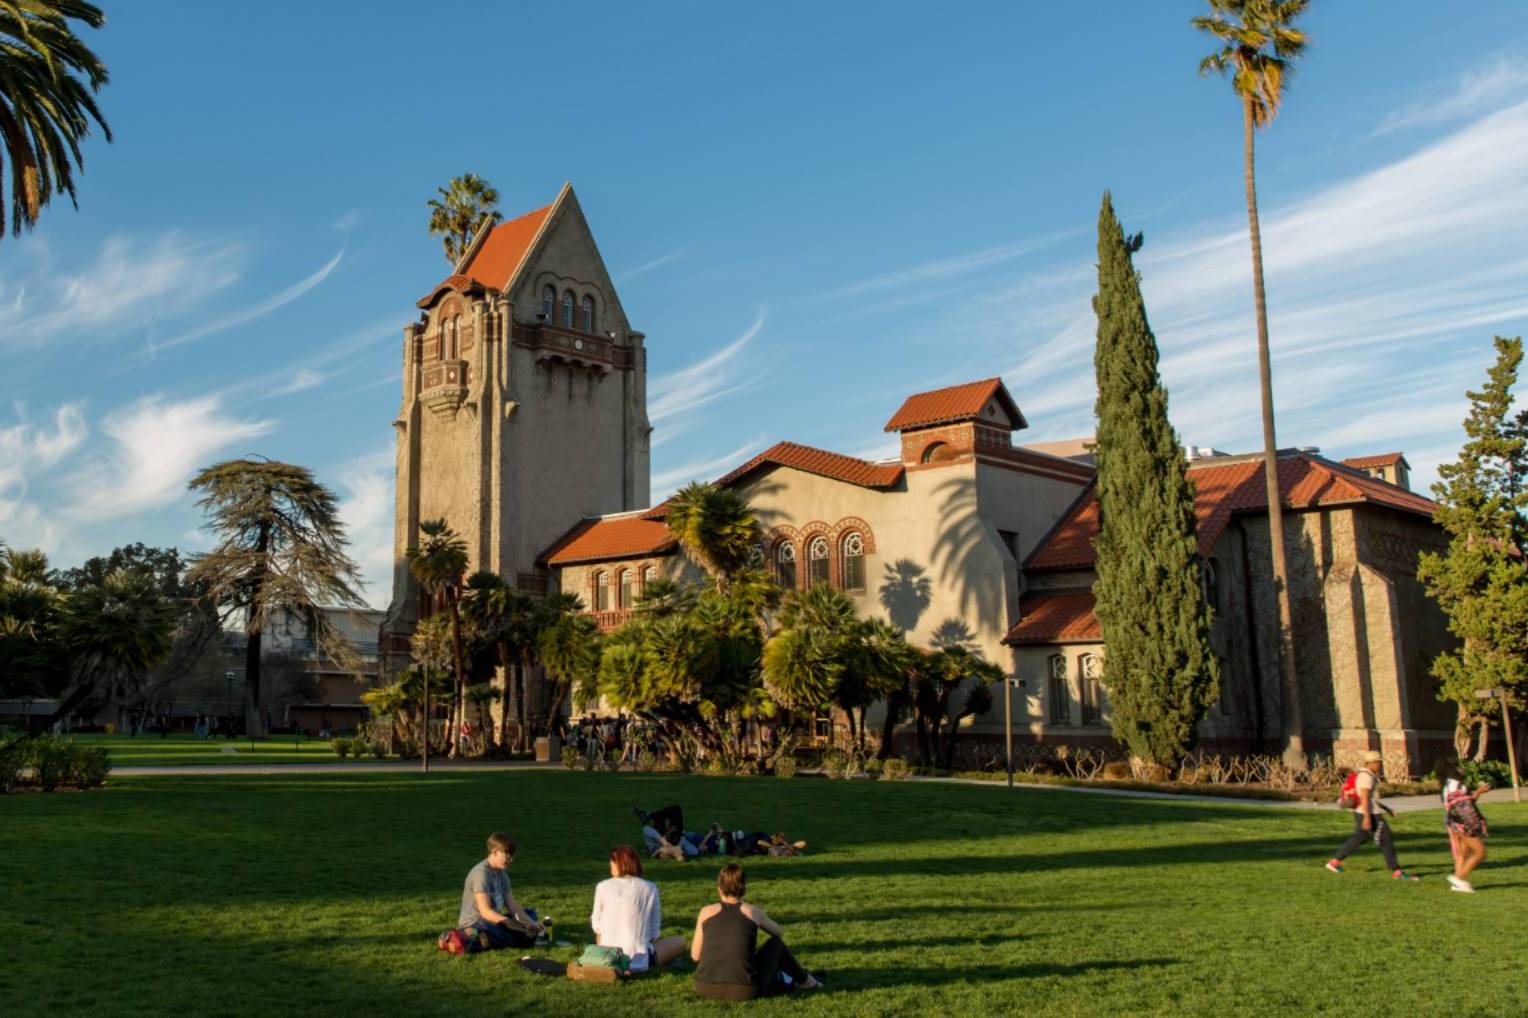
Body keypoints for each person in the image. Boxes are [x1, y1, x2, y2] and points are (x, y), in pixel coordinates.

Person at [691, 864, 821, 1000]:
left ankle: (800, 979)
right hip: (745, 990)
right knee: (776, 944)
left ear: (719, 889)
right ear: (744, 889)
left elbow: (695, 955)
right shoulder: (752, 911)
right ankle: (805, 981)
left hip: (704, 987)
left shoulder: (706, 912)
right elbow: (778, 932)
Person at [437, 832, 547, 955]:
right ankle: (462, 937)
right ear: (495, 852)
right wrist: (513, 924)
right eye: (508, 856)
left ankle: (511, 937)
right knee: (521, 936)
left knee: (530, 914)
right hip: (478, 923)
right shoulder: (481, 874)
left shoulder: (502, 874)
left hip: (494, 921)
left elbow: (512, 905)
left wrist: (529, 923)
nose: (510, 860)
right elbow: (485, 912)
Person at [589, 844, 688, 973]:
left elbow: (597, 927)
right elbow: (654, 933)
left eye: (612, 863)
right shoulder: (650, 888)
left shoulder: (602, 886)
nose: (610, 867)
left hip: (607, 957)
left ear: (619, 864)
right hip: (638, 960)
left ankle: (613, 963)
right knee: (680, 941)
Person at [1325, 751, 1418, 881]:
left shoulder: (1364, 775)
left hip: (1364, 812)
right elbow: (1364, 797)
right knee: (1386, 839)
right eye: (1378, 762)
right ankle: (1397, 871)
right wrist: (1367, 818)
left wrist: (1387, 809)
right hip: (1369, 813)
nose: (1379, 765)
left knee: (1361, 838)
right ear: (1372, 763)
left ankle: (1334, 862)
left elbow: (1370, 798)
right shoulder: (1366, 777)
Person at [1437, 758, 1491, 893]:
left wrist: (1477, 792)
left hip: (1453, 820)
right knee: (1480, 852)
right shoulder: (1456, 784)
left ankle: (1457, 883)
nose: (1461, 769)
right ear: (1452, 769)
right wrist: (1478, 792)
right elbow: (1464, 805)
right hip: (1462, 822)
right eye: (1458, 767)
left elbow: (1463, 802)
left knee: (1463, 853)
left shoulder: (1446, 785)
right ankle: (1459, 879)